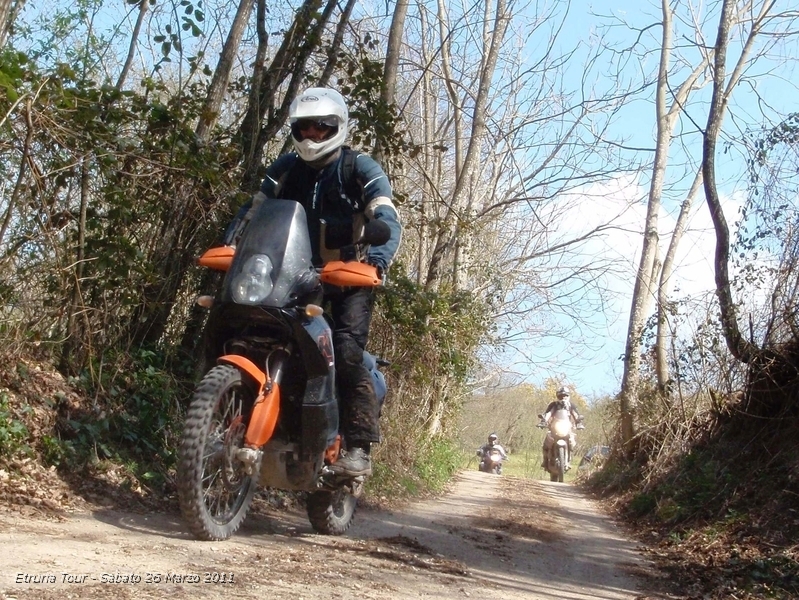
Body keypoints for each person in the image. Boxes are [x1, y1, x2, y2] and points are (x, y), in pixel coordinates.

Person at [224, 87, 402, 477]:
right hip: (289, 272)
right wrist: (229, 243)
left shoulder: (361, 168)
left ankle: (357, 447)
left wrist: (376, 262)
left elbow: (385, 215)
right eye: (304, 129)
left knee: (345, 351)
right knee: (242, 323)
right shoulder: (287, 167)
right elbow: (254, 208)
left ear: (337, 128)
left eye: (322, 129)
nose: (312, 137)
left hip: (346, 275)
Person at [539, 386, 583, 471]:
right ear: (557, 396)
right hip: (554, 428)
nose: (563, 397)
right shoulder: (553, 404)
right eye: (561, 396)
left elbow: (576, 414)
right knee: (546, 443)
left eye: (565, 395)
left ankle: (568, 460)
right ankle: (545, 461)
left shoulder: (571, 405)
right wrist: (543, 421)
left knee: (572, 442)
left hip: (567, 428)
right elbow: (548, 413)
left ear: (568, 396)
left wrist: (579, 422)